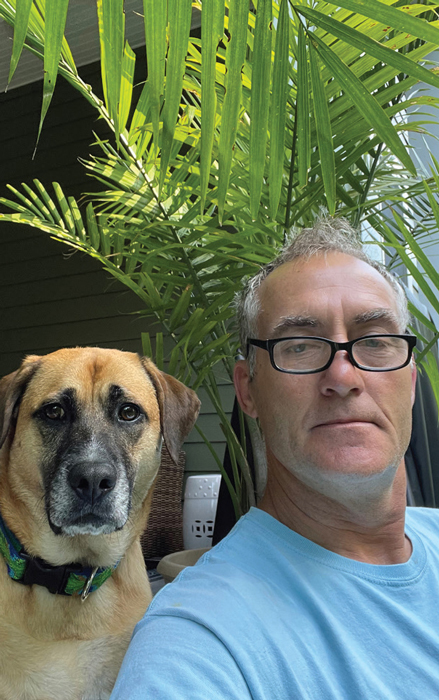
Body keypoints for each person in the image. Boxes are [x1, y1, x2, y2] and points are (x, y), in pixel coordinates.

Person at [110, 219, 439, 699]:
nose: (344, 376)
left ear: (409, 382)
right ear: (249, 391)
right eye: (300, 346)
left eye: (374, 341)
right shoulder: (201, 639)